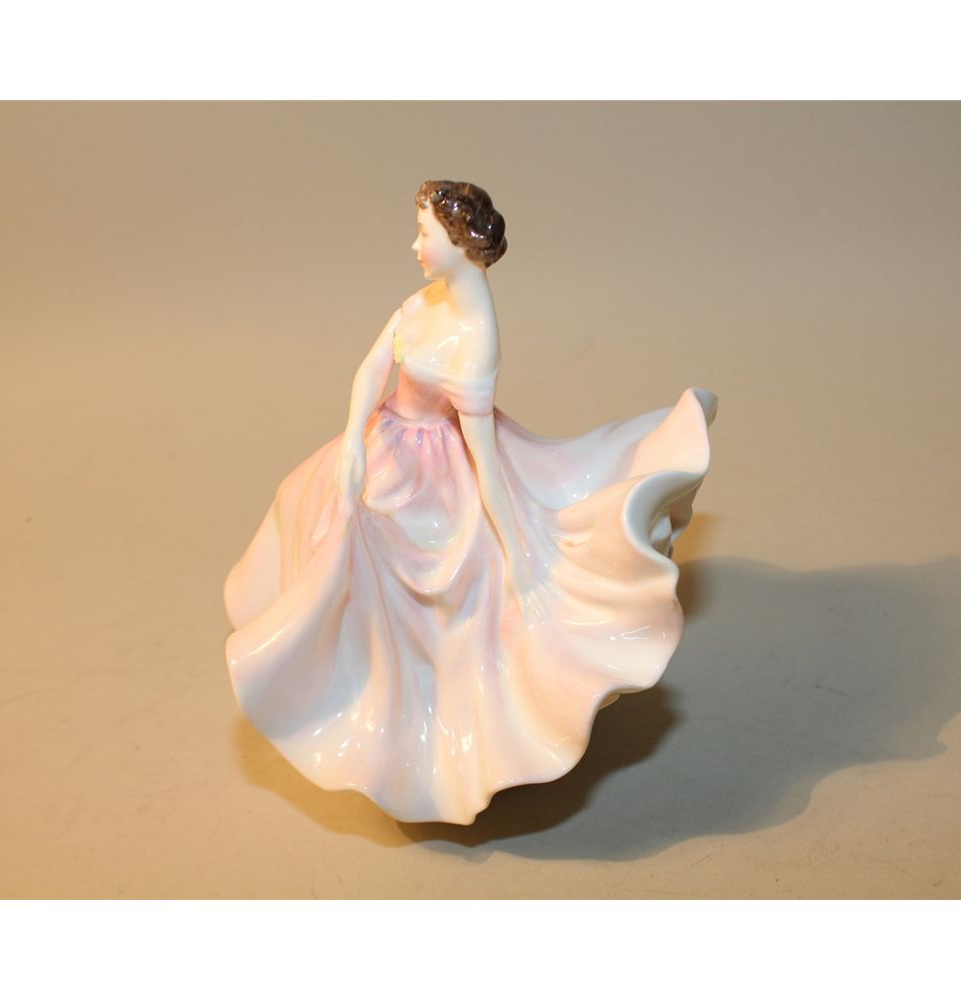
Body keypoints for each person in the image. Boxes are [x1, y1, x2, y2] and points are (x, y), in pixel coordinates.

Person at [224, 180, 715, 825]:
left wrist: (518, 553)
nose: (415, 245)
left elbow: (483, 459)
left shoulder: (475, 340)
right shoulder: (424, 301)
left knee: (406, 559)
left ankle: (403, 721)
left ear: (459, 244)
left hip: (437, 468)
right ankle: (320, 665)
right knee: (310, 498)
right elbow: (372, 369)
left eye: (425, 234)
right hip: (384, 439)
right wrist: (352, 442)